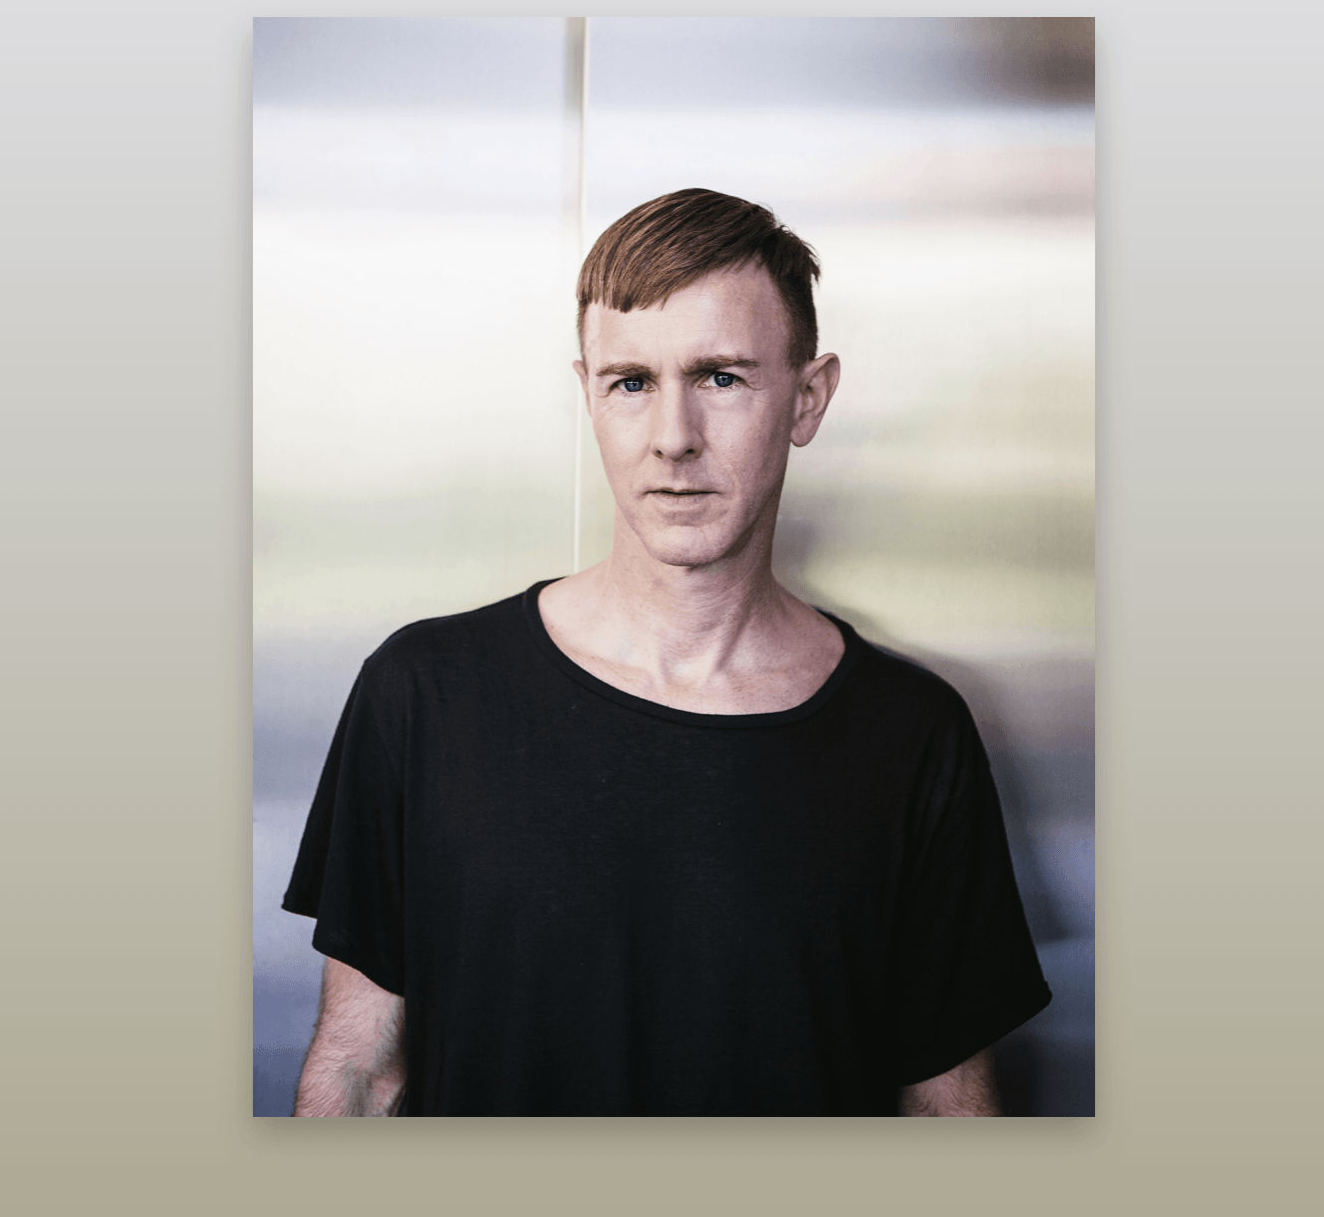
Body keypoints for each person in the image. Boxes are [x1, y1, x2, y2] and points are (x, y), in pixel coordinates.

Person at [283, 188, 1049, 1116]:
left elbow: (947, 1111)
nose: (673, 439)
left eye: (720, 378)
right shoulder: (424, 695)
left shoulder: (911, 735)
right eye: (632, 382)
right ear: (589, 396)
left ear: (808, 399)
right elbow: (360, 1071)